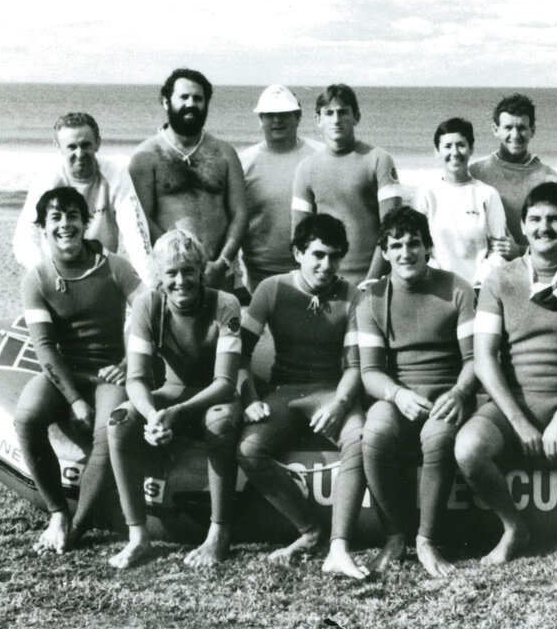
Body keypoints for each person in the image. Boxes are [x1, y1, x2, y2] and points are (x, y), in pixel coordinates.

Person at [455, 182, 557, 566]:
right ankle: (514, 528)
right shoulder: (500, 279)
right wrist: (519, 422)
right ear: (523, 227)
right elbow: (484, 358)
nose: (544, 227)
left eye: (555, 219)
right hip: (513, 402)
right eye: (535, 219)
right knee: (468, 450)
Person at [236, 214, 369, 577]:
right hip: (285, 390)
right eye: (318, 255)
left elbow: (356, 367)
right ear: (297, 253)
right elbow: (240, 355)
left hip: (331, 389)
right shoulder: (272, 289)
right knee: (248, 449)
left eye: (336, 257)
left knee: (358, 438)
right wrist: (249, 399)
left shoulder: (352, 294)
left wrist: (341, 404)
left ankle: (339, 547)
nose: (328, 266)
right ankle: (309, 530)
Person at [15, 187, 143, 554]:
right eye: (55, 218)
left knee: (110, 430)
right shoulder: (36, 279)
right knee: (26, 419)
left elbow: (148, 314)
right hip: (65, 373)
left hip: (108, 373)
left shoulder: (114, 265)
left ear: (86, 222)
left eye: (72, 216)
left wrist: (126, 364)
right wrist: (74, 400)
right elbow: (44, 347)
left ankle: (79, 527)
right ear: (42, 227)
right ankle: (57, 511)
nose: (64, 224)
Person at [107, 229, 242, 569]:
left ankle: (218, 533)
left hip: (212, 397)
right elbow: (136, 378)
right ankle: (138, 536)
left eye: (188, 271)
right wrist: (153, 414)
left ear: (201, 270)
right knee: (119, 422)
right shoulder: (147, 304)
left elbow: (225, 383)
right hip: (171, 393)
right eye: (171, 273)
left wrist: (176, 413)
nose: (181, 281)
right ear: (159, 276)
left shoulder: (225, 304)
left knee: (221, 422)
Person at [357, 207, 477, 578]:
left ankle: (426, 539)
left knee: (438, 439)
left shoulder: (457, 287)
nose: (406, 252)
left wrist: (458, 393)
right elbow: (370, 372)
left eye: (414, 244)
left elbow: (474, 360)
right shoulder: (372, 298)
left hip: (447, 392)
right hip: (398, 396)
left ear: (428, 247)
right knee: (373, 435)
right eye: (396, 245)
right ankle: (394, 535)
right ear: (385, 252)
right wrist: (396, 395)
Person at [128, 68, 247, 290]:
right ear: (166, 102)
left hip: (219, 273)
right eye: (183, 97)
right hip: (172, 276)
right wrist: (178, 261)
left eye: (198, 98)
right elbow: (142, 220)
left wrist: (222, 263)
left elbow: (240, 214)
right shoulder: (146, 156)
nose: (191, 103)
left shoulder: (224, 153)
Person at [13, 113, 152, 280]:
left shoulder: (116, 175)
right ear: (58, 146)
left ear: (97, 143)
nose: (80, 153)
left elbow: (135, 233)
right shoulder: (48, 179)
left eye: (85, 145)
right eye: (71, 147)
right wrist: (46, 274)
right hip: (57, 272)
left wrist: (150, 285)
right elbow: (24, 236)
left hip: (101, 272)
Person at [292, 84, 403, 286]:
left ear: (356, 117)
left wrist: (371, 282)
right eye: (329, 113)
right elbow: (300, 236)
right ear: (318, 120)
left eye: (343, 112)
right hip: (327, 284)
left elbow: (393, 229)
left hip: (375, 284)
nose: (336, 120)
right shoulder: (306, 169)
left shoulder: (378, 160)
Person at [239, 84, 324, 292]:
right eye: (269, 115)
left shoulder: (321, 156)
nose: (277, 120)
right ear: (260, 120)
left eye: (284, 114)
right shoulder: (243, 163)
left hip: (315, 271)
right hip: (259, 275)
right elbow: (232, 219)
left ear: (298, 116)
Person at [414, 117, 510, 284]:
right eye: (447, 146)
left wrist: (478, 282)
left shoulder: (487, 194)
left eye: (461, 145)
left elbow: (498, 251)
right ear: (437, 151)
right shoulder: (425, 195)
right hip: (434, 286)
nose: (455, 152)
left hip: (479, 288)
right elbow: (418, 246)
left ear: (471, 149)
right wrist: (436, 279)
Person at [469, 93, 557, 258]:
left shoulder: (549, 179)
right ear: (495, 130)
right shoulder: (476, 173)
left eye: (521, 128)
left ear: (532, 130)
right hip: (484, 274)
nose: (515, 135)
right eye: (508, 128)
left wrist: (519, 251)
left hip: (531, 272)